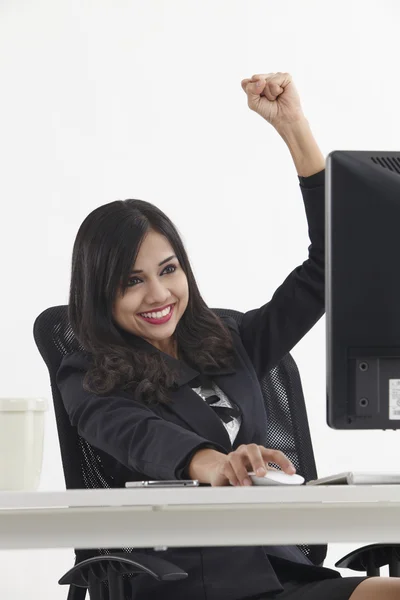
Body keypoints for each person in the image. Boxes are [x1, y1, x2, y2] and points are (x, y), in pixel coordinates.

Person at [56, 72, 400, 600]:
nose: (159, 294)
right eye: (132, 281)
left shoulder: (229, 340)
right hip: (183, 583)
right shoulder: (88, 373)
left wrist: (295, 131)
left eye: (169, 270)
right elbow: (142, 436)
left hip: (279, 574)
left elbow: (332, 266)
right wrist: (215, 462)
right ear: (100, 293)